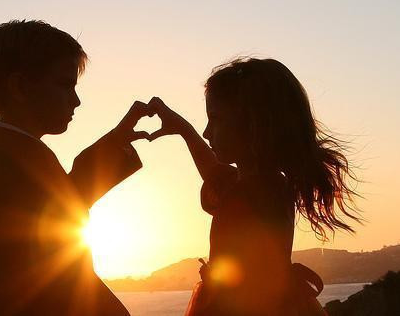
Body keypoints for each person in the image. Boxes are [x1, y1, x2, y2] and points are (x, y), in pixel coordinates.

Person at [147, 57, 361, 315]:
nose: (207, 132)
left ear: (253, 124)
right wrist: (184, 129)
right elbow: (216, 174)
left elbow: (218, 177)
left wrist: (184, 130)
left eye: (215, 119)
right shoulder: (257, 184)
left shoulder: (264, 190)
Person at [0, 20, 151, 315]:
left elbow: (60, 205)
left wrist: (114, 144)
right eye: (65, 85)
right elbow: (55, 274)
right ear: (20, 87)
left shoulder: (15, 160)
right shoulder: (9, 170)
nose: (76, 101)